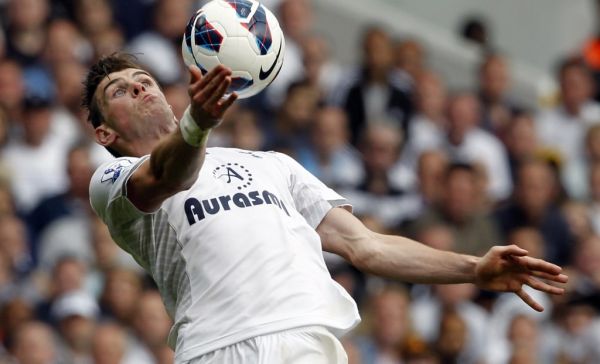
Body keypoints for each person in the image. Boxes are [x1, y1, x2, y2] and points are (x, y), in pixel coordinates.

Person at [84, 53, 567, 363]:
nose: (139, 87)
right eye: (120, 90)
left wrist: (473, 268)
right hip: (218, 347)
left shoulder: (270, 163)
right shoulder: (111, 182)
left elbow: (366, 246)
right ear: (105, 133)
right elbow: (169, 176)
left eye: (143, 79)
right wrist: (197, 124)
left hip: (307, 342)